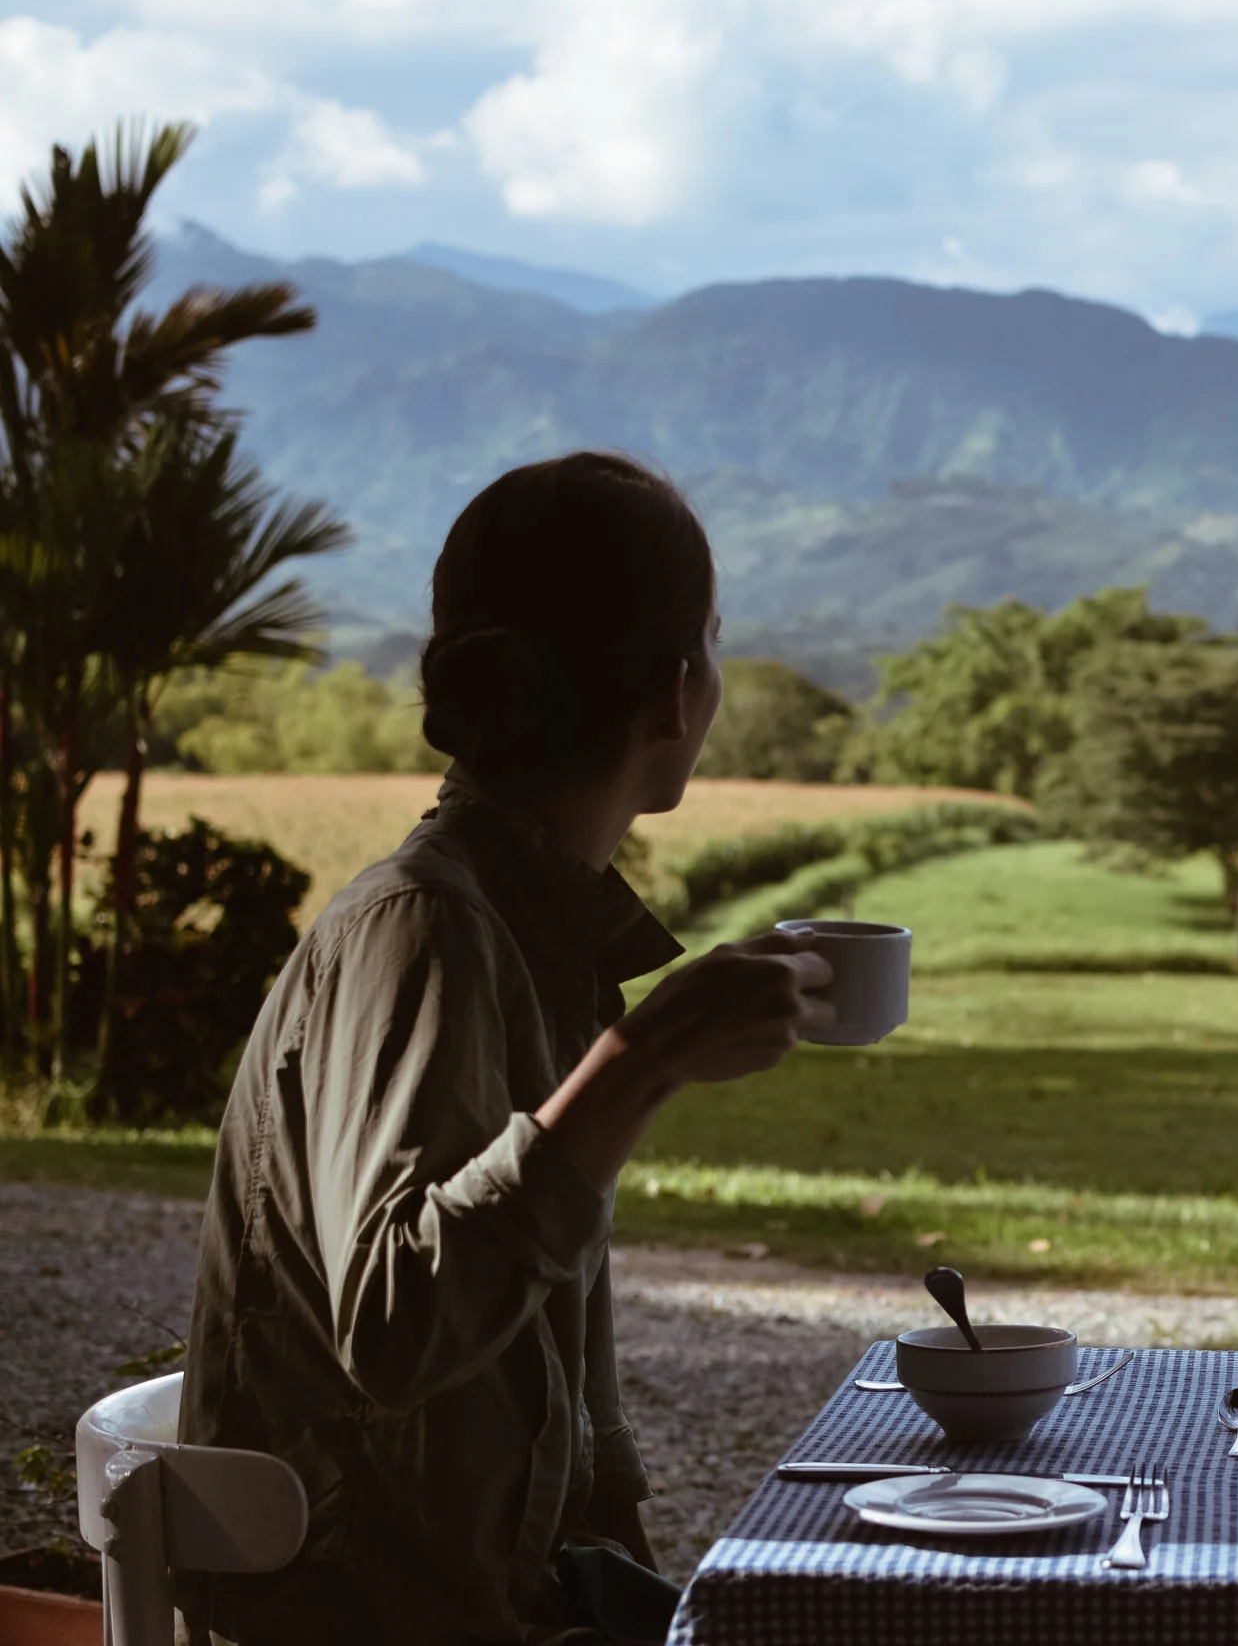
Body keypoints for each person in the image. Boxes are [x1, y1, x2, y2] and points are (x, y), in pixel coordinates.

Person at [180, 453, 833, 1645]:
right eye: (716, 640)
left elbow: (548, 1367)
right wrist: (638, 1063)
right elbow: (392, 1329)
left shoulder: (538, 933)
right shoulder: (423, 928)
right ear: (675, 693)